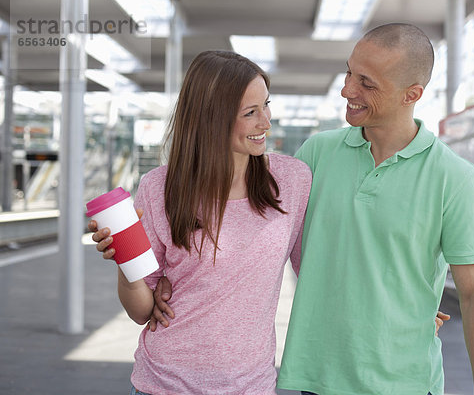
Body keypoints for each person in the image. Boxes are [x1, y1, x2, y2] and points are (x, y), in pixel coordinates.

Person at [275, 23, 474, 395]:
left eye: (367, 83)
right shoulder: (316, 154)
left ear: (411, 94)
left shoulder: (454, 177)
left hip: (405, 383)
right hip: (318, 378)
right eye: (349, 72)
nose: (348, 90)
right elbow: (261, 233)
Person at [88, 50, 313, 394]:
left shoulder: (292, 181)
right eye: (250, 113)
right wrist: (125, 259)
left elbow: (317, 271)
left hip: (250, 386)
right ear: (212, 119)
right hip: (164, 384)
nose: (265, 122)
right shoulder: (159, 188)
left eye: (266, 105)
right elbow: (141, 310)